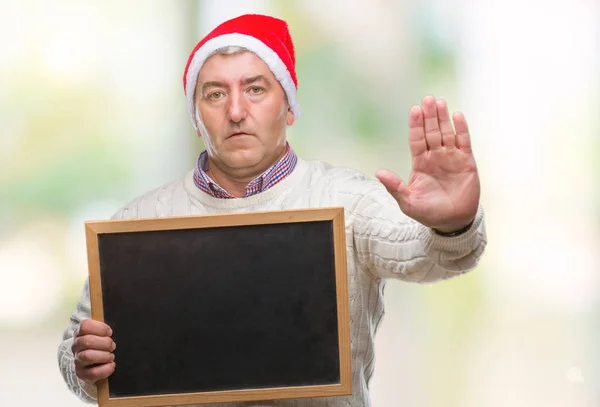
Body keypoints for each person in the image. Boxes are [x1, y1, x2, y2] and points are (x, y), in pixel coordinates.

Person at [57, 13, 487, 407]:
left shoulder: (348, 202)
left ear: (289, 106)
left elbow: (429, 255)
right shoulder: (139, 222)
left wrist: (453, 223)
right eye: (215, 94)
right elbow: (76, 349)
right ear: (196, 115)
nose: (237, 111)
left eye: (256, 89)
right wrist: (82, 365)